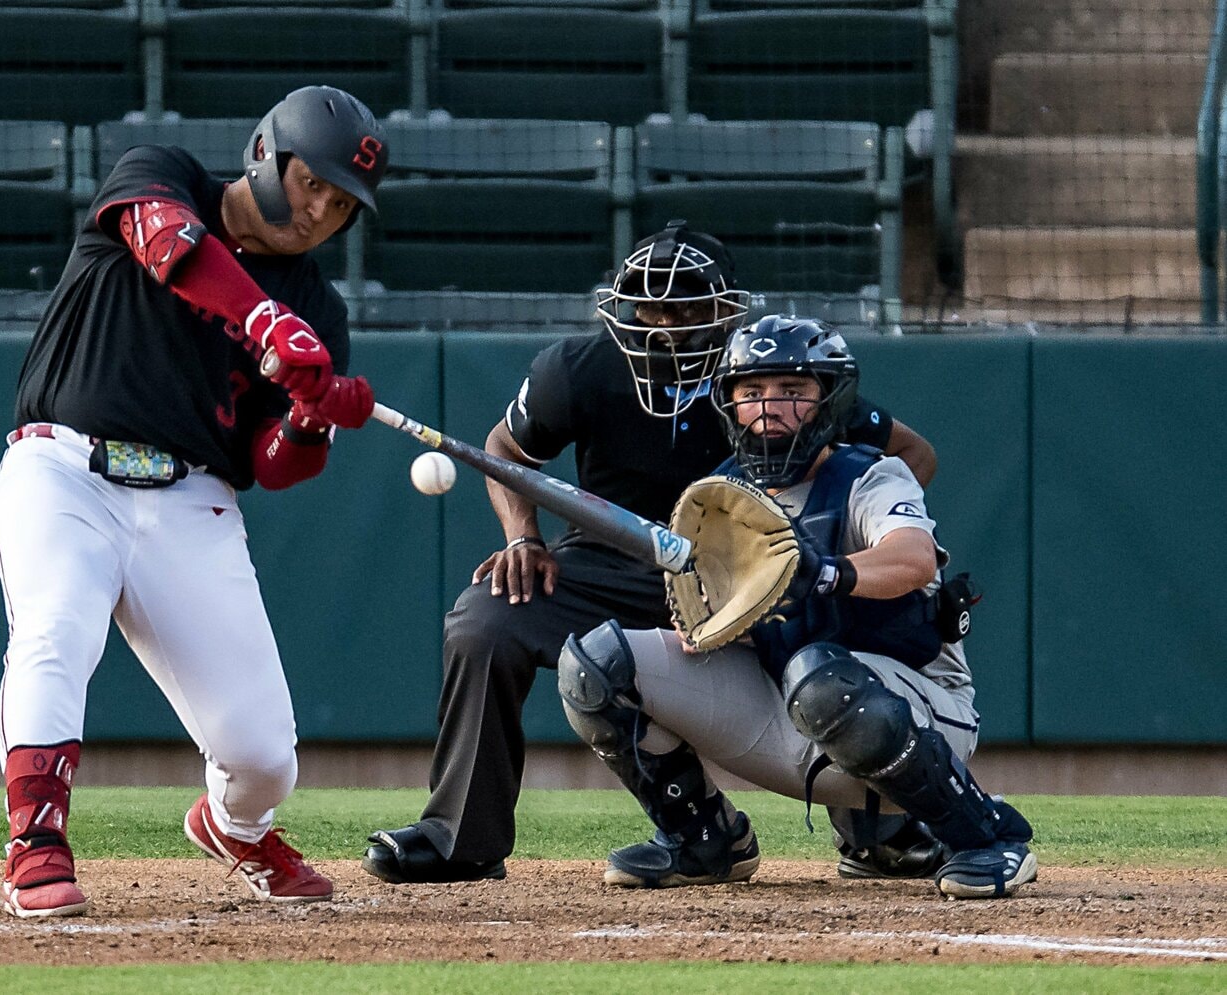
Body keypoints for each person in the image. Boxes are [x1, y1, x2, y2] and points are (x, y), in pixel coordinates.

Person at [362, 222, 942, 886]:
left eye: (688, 307)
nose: (666, 324)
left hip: (741, 575)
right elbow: (505, 450)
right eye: (652, 307)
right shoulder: (577, 369)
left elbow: (912, 453)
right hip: (608, 564)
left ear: (726, 310)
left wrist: (825, 543)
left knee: (825, 626)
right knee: (485, 620)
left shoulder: (766, 379)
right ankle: (469, 837)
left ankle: (880, 827)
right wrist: (522, 536)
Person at [0, 86, 389, 918]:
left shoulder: (321, 308)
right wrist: (266, 322)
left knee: (264, 755)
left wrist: (311, 420)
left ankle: (237, 826)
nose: (318, 210)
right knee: (55, 628)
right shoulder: (162, 175)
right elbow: (166, 245)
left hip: (191, 503)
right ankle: (37, 839)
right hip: (65, 470)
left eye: (340, 202)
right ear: (264, 153)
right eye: (309, 180)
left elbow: (272, 465)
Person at [556, 315, 1036, 899]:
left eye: (792, 391)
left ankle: (983, 837)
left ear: (828, 401)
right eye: (752, 393)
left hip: (917, 701)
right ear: (728, 404)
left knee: (821, 677)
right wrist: (706, 626)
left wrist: (828, 573)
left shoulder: (872, 475)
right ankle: (704, 841)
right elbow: (720, 620)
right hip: (786, 703)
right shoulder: (719, 498)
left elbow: (913, 560)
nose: (769, 408)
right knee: (595, 664)